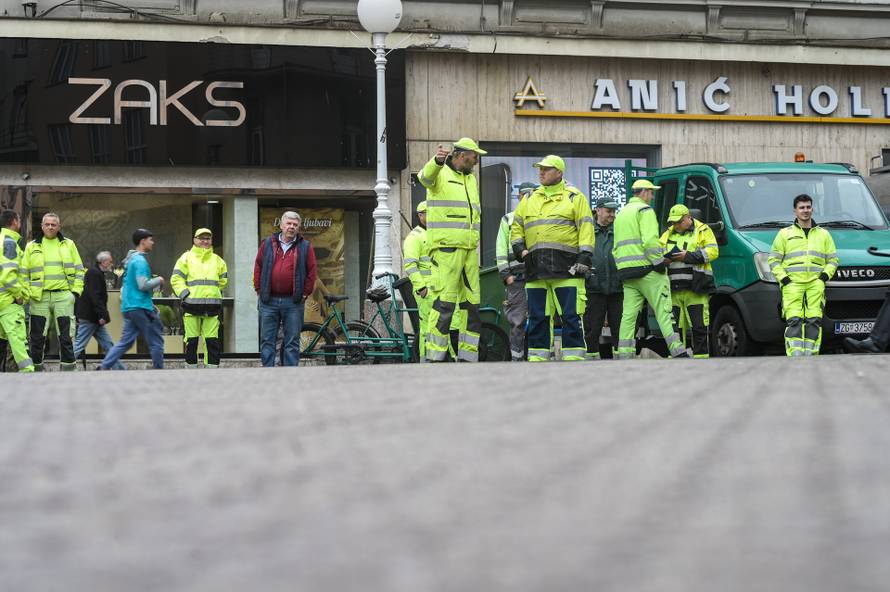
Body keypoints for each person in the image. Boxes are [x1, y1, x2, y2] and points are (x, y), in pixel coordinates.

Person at [511, 155, 595, 362]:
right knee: (537, 317)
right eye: (540, 169)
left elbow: (586, 227)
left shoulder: (574, 197)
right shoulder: (529, 198)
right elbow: (517, 226)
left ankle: (573, 358)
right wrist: (520, 250)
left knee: (571, 316)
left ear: (559, 172)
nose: (541, 172)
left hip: (567, 268)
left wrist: (585, 257)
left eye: (546, 169)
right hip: (535, 268)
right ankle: (537, 358)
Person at [417, 138, 486, 362]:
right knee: (444, 303)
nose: (476, 160)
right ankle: (435, 357)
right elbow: (424, 177)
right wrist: (436, 162)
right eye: (474, 156)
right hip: (446, 249)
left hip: (469, 250)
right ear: (462, 155)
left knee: (471, 305)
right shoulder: (440, 173)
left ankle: (468, 356)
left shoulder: (471, 179)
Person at [613, 179, 687, 359]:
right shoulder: (644, 210)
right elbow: (650, 242)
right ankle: (678, 351)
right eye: (651, 192)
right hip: (648, 271)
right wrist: (659, 263)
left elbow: (615, 248)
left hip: (627, 273)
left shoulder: (621, 214)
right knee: (665, 312)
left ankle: (624, 354)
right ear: (644, 192)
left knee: (628, 316)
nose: (652, 196)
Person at [768, 194, 838, 356]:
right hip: (792, 284)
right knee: (794, 320)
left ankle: (811, 355)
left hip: (815, 284)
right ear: (795, 211)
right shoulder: (784, 234)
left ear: (812, 209)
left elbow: (833, 260)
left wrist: (823, 278)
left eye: (808, 207)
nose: (805, 210)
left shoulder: (823, 234)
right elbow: (773, 260)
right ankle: (795, 356)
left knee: (814, 320)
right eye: (801, 207)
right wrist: (784, 279)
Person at [22, 212, 84, 371]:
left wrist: (75, 293)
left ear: (59, 227)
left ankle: (68, 371)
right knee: (36, 338)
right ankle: (36, 371)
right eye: (47, 224)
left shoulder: (69, 244)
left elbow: (79, 270)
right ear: (42, 226)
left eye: (53, 224)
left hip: (63, 296)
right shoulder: (31, 246)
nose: (50, 227)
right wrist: (28, 294)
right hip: (39, 298)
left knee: (66, 337)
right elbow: (23, 273)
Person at [254, 211, 317, 367]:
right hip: (269, 300)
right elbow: (258, 266)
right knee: (267, 340)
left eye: (295, 224)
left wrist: (305, 293)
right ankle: (267, 371)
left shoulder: (305, 246)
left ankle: (291, 374)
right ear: (281, 225)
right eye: (288, 223)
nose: (291, 227)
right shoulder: (267, 243)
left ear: (298, 227)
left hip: (293, 302)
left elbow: (312, 271)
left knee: (292, 341)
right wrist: (259, 289)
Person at [99, 229, 165, 369]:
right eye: (150, 240)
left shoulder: (131, 261)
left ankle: (104, 366)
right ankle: (159, 371)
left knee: (126, 342)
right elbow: (143, 285)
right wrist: (159, 280)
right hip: (140, 307)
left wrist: (149, 303)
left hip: (129, 307)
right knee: (156, 340)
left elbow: (132, 286)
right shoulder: (140, 261)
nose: (152, 242)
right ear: (143, 241)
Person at [659, 204, 720, 358]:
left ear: (688, 218)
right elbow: (657, 254)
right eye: (673, 222)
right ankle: (677, 361)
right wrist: (663, 260)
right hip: (673, 290)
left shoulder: (703, 230)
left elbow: (713, 252)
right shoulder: (667, 234)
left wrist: (687, 256)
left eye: (679, 222)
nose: (676, 225)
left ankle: (701, 361)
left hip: (696, 289)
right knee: (675, 331)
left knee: (699, 328)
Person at [171, 228, 228, 369]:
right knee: (191, 341)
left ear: (211, 240)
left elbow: (223, 281)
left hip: (212, 307)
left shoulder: (218, 260)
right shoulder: (185, 258)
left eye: (207, 238)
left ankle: (212, 371)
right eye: (201, 238)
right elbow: (176, 279)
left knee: (212, 341)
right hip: (191, 306)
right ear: (194, 240)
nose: (204, 241)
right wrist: (185, 294)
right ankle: (191, 372)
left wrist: (213, 293)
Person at [497, 182, 536, 361]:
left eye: (531, 194)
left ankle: (536, 358)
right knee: (517, 321)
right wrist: (506, 276)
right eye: (525, 194)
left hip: (536, 276)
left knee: (539, 318)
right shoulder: (508, 219)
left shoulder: (539, 218)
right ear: (519, 196)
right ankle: (517, 359)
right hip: (517, 277)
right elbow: (500, 249)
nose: (528, 198)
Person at [584, 197, 623, 360]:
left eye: (614, 211)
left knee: (620, 329)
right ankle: (591, 361)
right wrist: (588, 276)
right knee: (592, 329)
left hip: (617, 287)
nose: (612, 214)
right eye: (609, 211)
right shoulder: (587, 230)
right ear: (598, 210)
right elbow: (579, 255)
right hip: (594, 287)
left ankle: (622, 363)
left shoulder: (620, 229)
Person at [73, 251, 125, 369]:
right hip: (90, 317)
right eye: (110, 262)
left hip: (94, 317)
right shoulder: (94, 273)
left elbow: (96, 296)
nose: (111, 264)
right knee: (79, 345)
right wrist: (102, 315)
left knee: (108, 344)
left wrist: (101, 315)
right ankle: (66, 366)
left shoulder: (97, 273)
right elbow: (95, 296)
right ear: (104, 262)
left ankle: (119, 369)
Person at [0, 210, 34, 373]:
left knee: (2, 343)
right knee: (19, 341)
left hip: (2, 301)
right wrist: (19, 296)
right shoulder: (9, 243)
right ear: (14, 221)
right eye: (19, 219)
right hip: (10, 302)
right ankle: (28, 374)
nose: (20, 222)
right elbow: (8, 276)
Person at [403, 201, 432, 358]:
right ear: (420, 215)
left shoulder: (434, 234)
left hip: (438, 288)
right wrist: (422, 288)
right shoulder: (414, 237)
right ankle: (425, 359)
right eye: (429, 213)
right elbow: (410, 265)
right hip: (426, 291)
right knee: (427, 328)